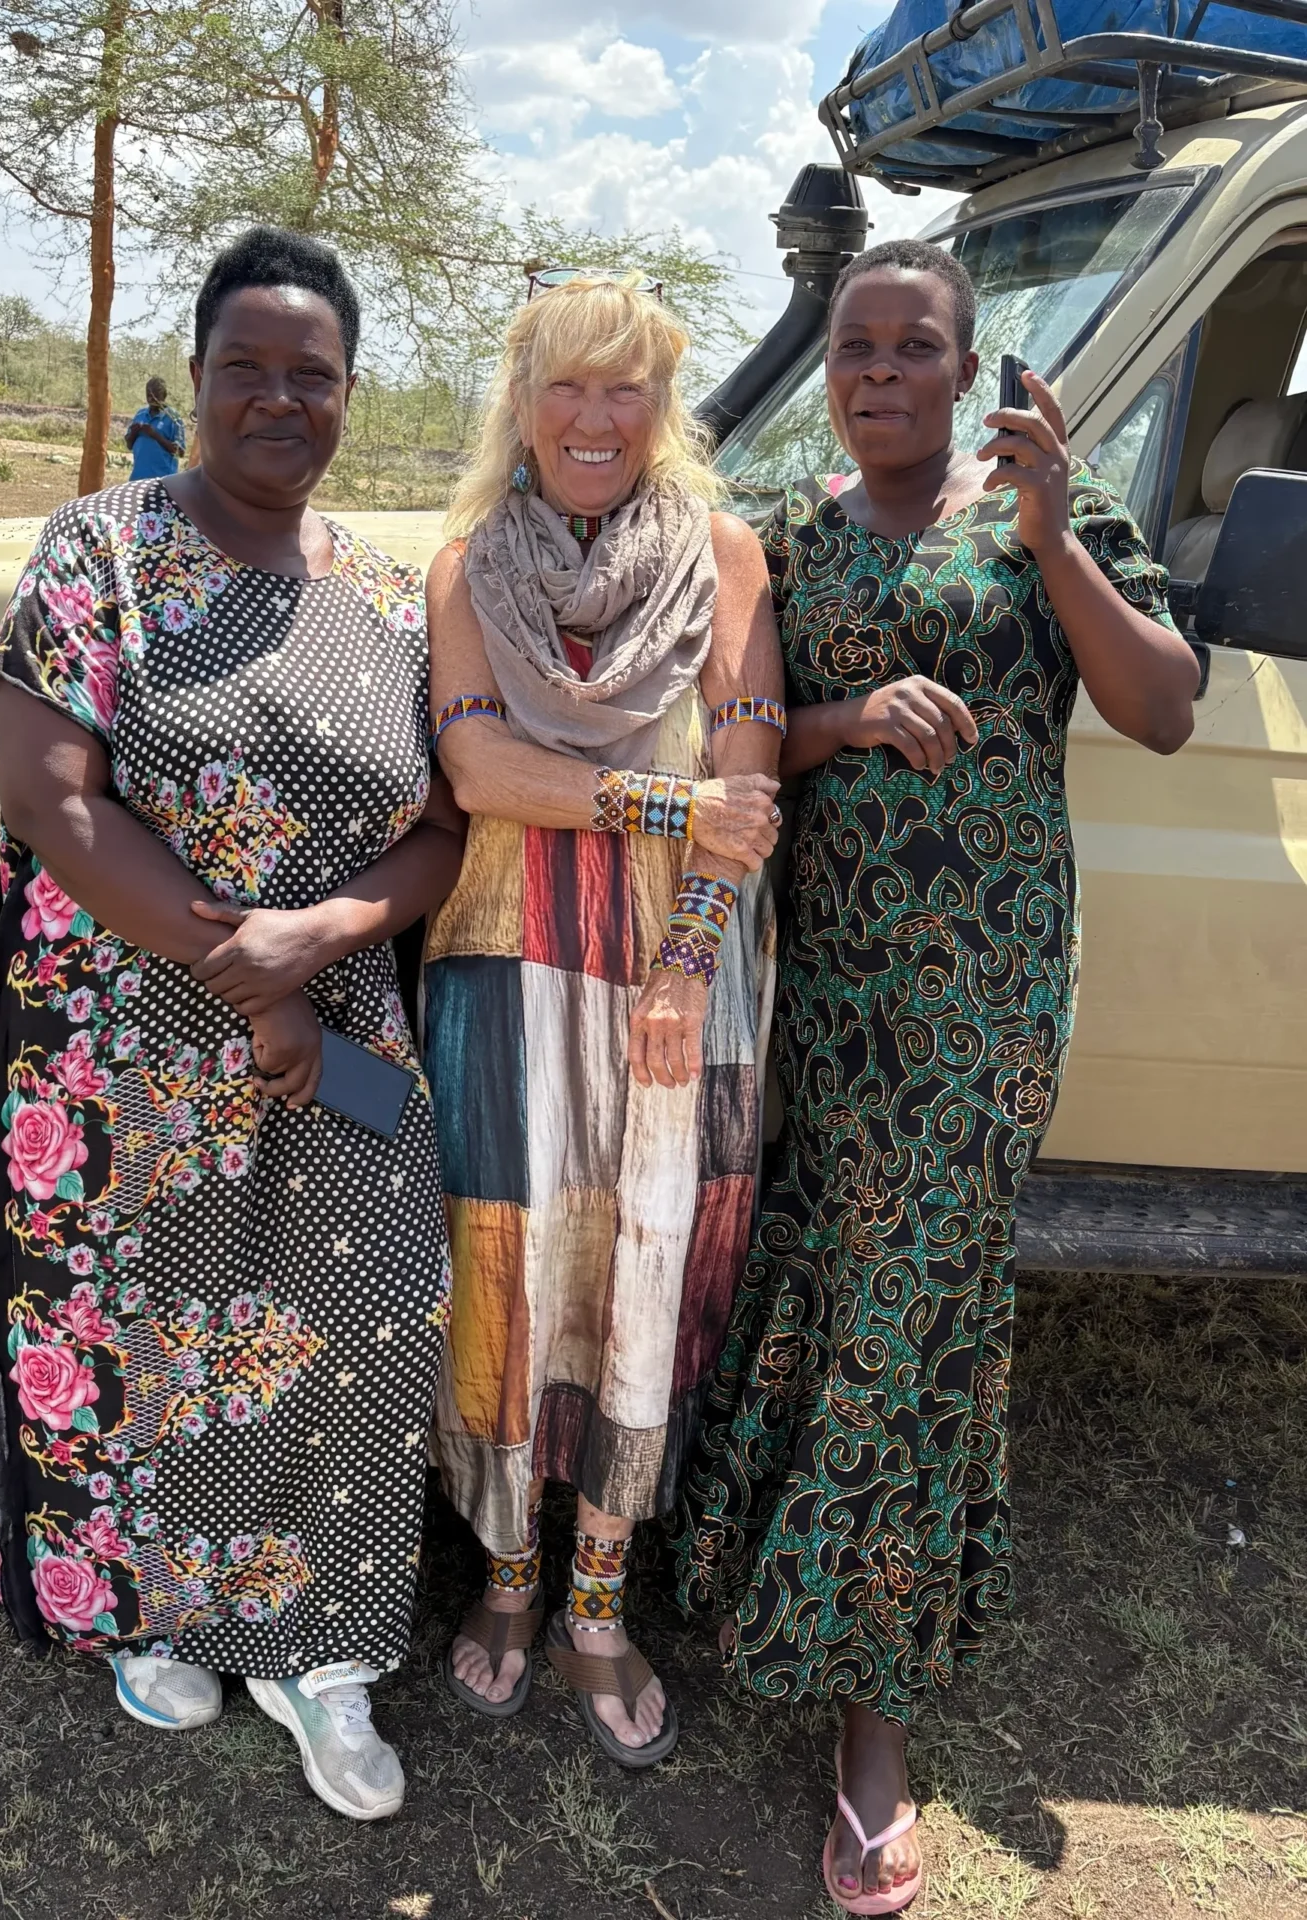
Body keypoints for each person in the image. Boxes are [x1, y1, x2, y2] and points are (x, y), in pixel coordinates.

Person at [674, 237, 1200, 1910]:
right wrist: (841, 723)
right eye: (854, 346)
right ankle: (750, 1582)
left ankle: (870, 1718)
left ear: (967, 368)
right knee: (814, 1284)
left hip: (974, 1014)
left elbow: (1163, 707)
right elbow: (748, 740)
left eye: (913, 346)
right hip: (823, 993)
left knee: (910, 1315)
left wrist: (1051, 543)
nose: (879, 370)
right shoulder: (791, 538)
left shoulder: (1036, 515)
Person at [0, 225, 466, 1822]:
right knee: (141, 1328)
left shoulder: (392, 595)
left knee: (358, 1311)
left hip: (338, 1039)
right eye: (243, 367)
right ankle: (145, 1605)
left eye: (307, 375)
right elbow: (50, 800)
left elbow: (445, 824)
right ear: (194, 381)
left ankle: (320, 1651)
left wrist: (322, 937)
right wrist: (234, 968)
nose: (275, 398)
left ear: (344, 397)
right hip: (116, 1037)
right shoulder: (96, 553)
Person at [424, 270, 784, 1766]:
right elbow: (481, 775)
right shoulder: (461, 571)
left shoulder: (725, 560)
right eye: (563, 384)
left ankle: (593, 1598)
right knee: (506, 1275)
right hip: (501, 973)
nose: (591, 415)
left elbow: (751, 798)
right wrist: (663, 800)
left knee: (645, 1270)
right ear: (519, 401)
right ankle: (505, 1577)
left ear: (662, 407)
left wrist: (690, 954)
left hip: (670, 986)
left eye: (623, 386)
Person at [124, 376, 186, 479]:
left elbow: (180, 452)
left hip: (163, 480)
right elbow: (129, 445)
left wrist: (155, 435)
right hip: (138, 478)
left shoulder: (174, 418)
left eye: (155, 397)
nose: (151, 399)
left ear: (164, 396)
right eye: (148, 396)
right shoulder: (140, 414)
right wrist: (133, 433)